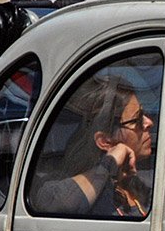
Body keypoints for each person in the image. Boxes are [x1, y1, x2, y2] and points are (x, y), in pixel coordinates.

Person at [29, 76, 154, 217]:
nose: (149, 122)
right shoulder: (70, 191)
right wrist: (108, 165)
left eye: (144, 114)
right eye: (137, 120)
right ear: (105, 142)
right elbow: (52, 206)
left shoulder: (140, 180)